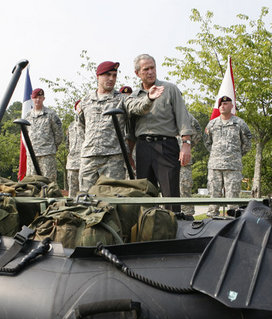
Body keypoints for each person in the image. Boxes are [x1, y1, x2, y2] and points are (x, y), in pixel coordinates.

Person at [125, 54, 195, 212]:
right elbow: (131, 129)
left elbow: (182, 117)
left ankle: (174, 228)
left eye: (152, 68)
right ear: (137, 73)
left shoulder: (169, 89)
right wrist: (129, 154)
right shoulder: (133, 97)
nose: (150, 72)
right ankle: (149, 230)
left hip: (166, 146)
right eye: (146, 69)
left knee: (170, 193)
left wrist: (186, 144)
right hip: (143, 148)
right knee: (145, 194)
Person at [78, 61, 153, 191]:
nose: (111, 79)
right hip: (89, 157)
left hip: (113, 158)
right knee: (85, 198)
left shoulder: (122, 99)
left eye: (114, 75)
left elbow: (138, 108)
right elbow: (81, 126)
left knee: (112, 199)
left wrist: (149, 98)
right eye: (107, 75)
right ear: (98, 76)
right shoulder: (86, 101)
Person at [205, 96, 252, 217]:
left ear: (232, 106)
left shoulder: (239, 123)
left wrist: (235, 154)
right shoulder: (212, 124)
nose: (222, 106)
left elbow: (247, 142)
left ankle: (233, 224)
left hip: (233, 166)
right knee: (213, 197)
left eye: (225, 103)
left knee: (233, 199)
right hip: (215, 166)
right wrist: (217, 154)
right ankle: (211, 223)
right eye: (220, 104)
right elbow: (207, 142)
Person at [24, 88, 63, 183]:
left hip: (47, 154)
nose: (37, 100)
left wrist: (51, 148)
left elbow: (58, 134)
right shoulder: (27, 116)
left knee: (49, 182)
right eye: (35, 97)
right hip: (31, 154)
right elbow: (25, 135)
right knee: (31, 183)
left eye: (40, 97)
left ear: (43, 98)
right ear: (31, 98)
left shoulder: (51, 114)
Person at [179, 114, 202, 219]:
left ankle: (188, 215)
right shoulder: (164, 112)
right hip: (165, 159)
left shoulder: (187, 116)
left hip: (184, 162)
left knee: (185, 188)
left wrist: (189, 146)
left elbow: (198, 132)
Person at [66, 100, 83, 197]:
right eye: (78, 107)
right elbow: (67, 143)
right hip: (72, 163)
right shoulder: (71, 126)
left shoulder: (87, 123)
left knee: (85, 191)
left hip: (84, 161)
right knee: (72, 192)